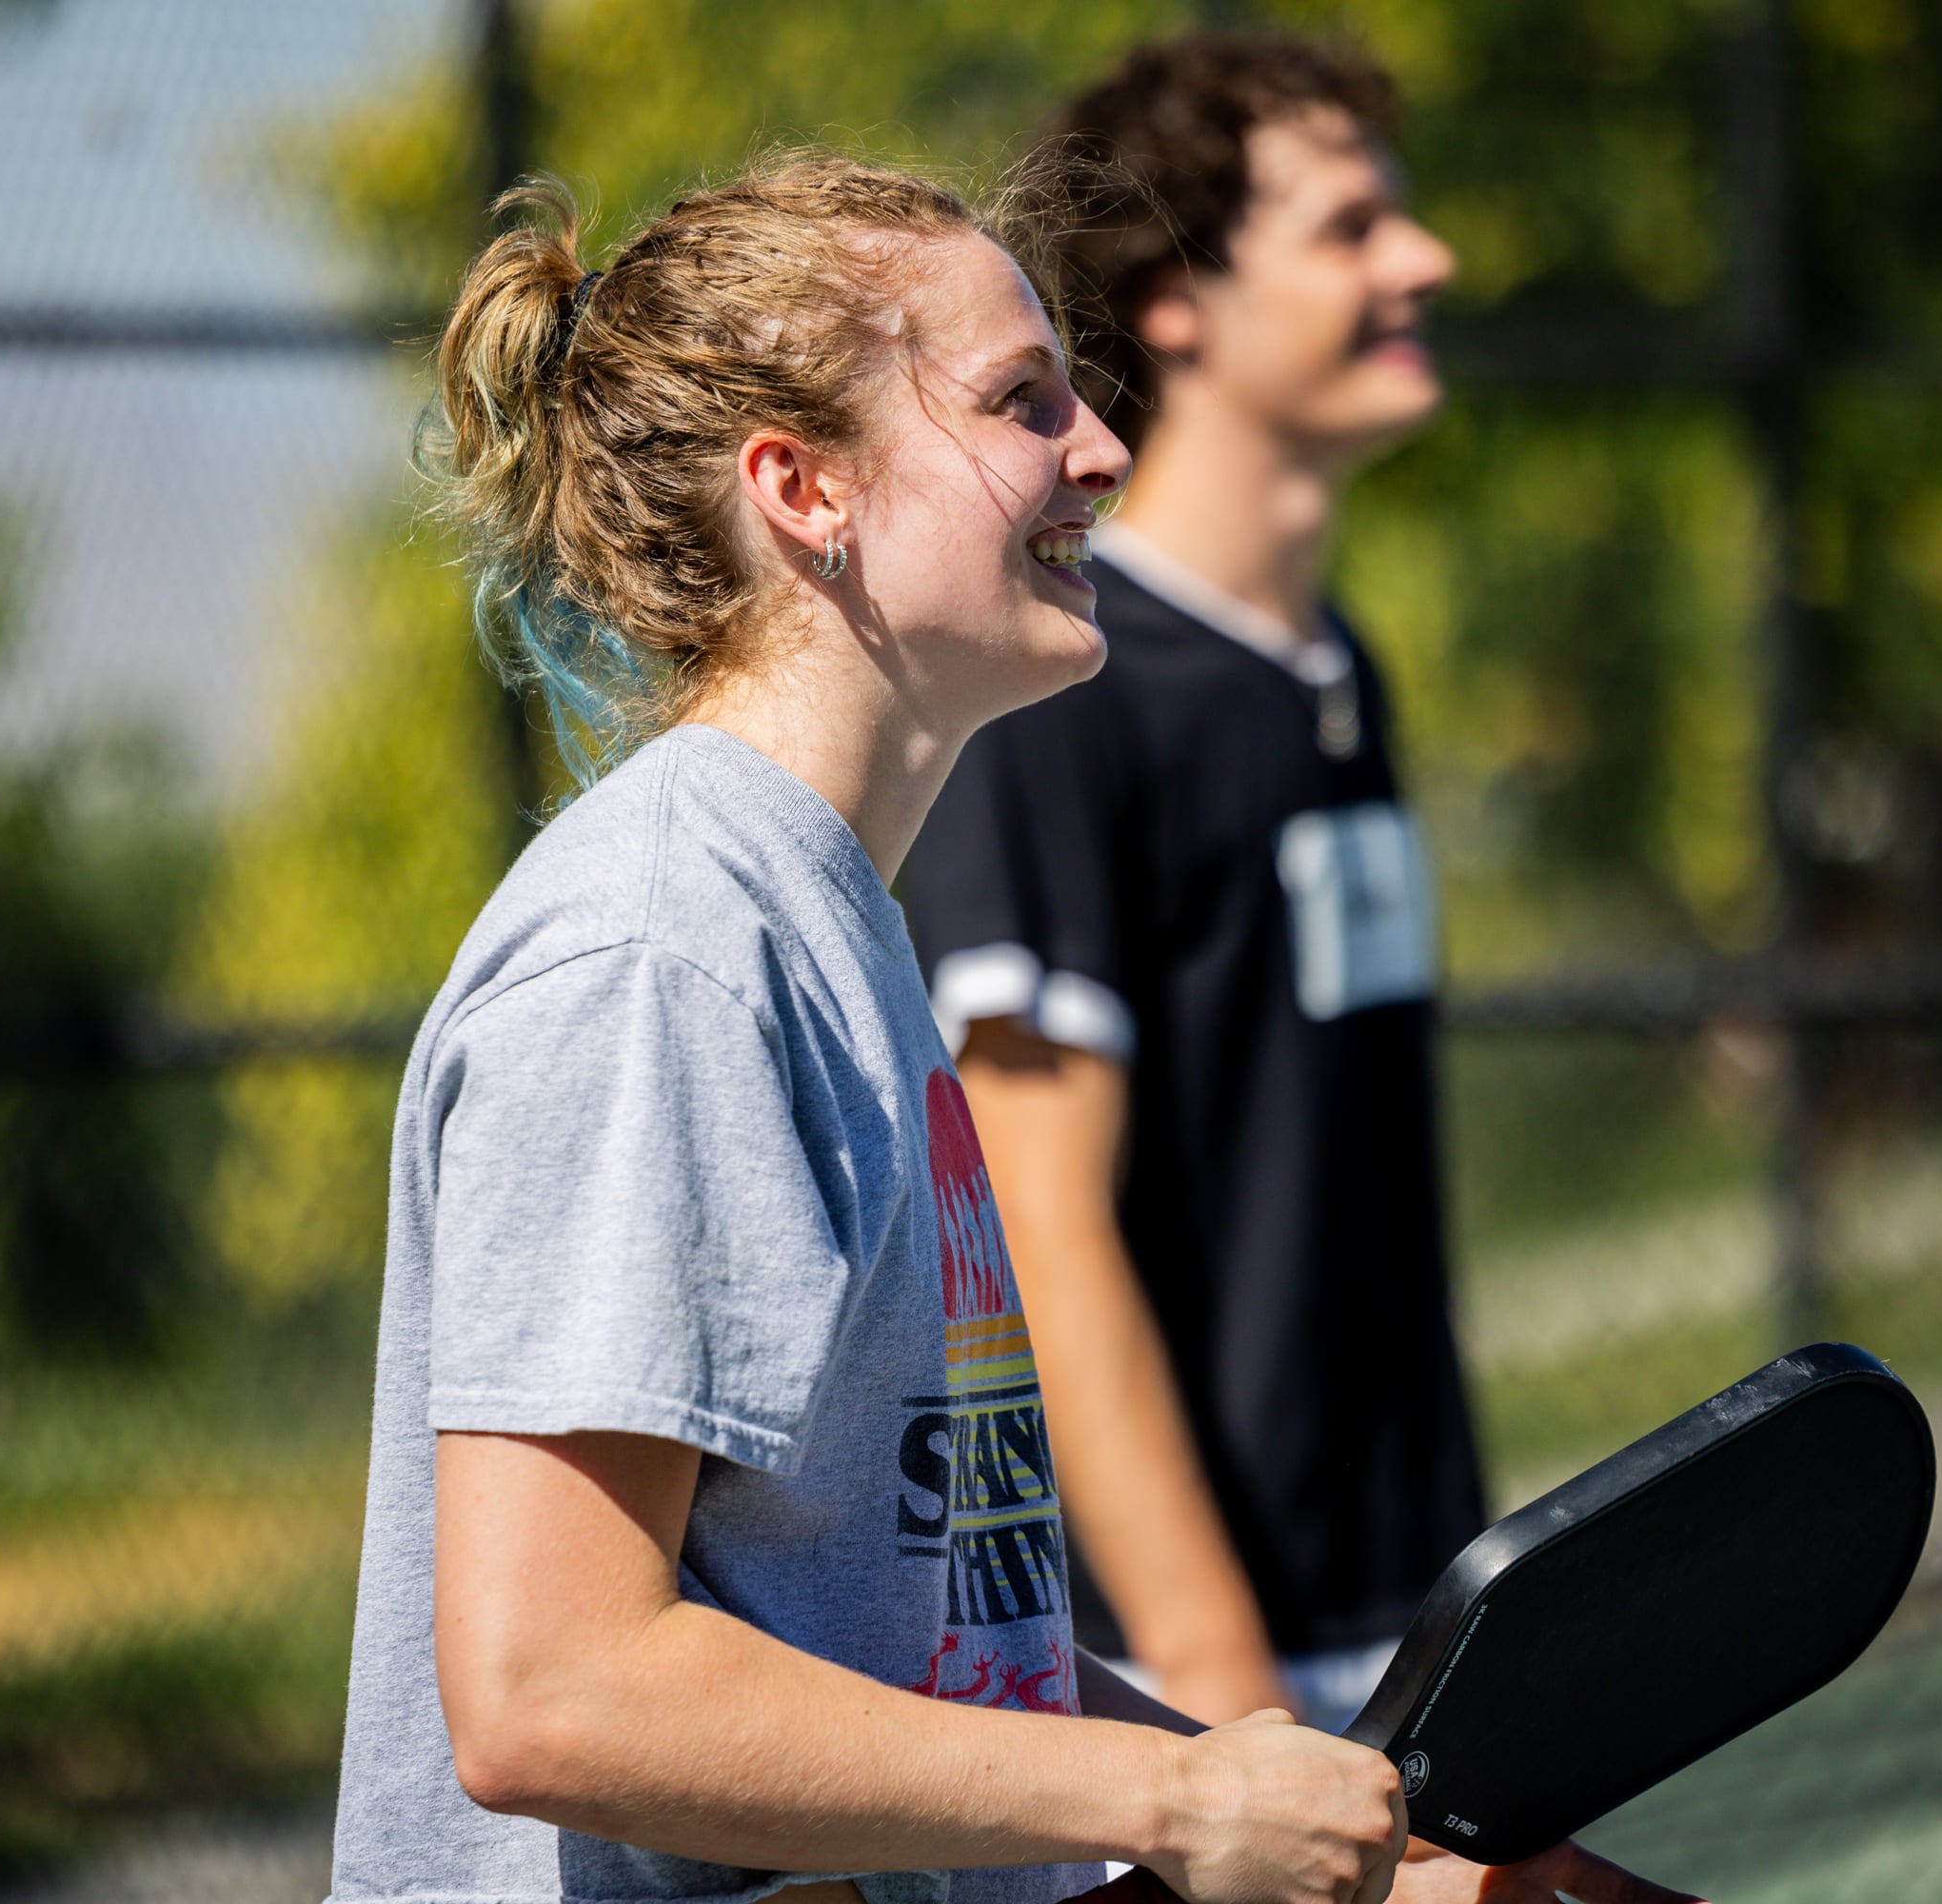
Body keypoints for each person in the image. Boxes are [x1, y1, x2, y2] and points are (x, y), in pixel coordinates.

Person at [330, 149, 1695, 1904]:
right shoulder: (663, 952)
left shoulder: (825, 923)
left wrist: (1367, 1846)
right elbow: (551, 1691)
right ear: (801, 488)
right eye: (1019, 400)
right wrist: (1169, 1812)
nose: (1106, 449)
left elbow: (927, 1663)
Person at [904, 34, 1486, 1735]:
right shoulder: (1067, 696)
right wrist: (1230, 1716)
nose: (1421, 260)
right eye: (1349, 227)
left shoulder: (1336, 667)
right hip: (1212, 1686)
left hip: (1416, 1620)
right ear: (1178, 301)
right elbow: (1043, 1225)